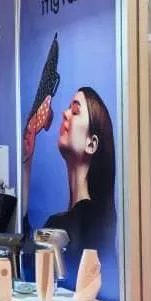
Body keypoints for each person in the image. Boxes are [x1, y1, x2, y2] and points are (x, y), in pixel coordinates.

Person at [22, 86, 116, 280]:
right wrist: (27, 161)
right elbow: (29, 269)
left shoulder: (95, 223)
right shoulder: (56, 223)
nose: (64, 114)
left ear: (91, 144)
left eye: (75, 111)